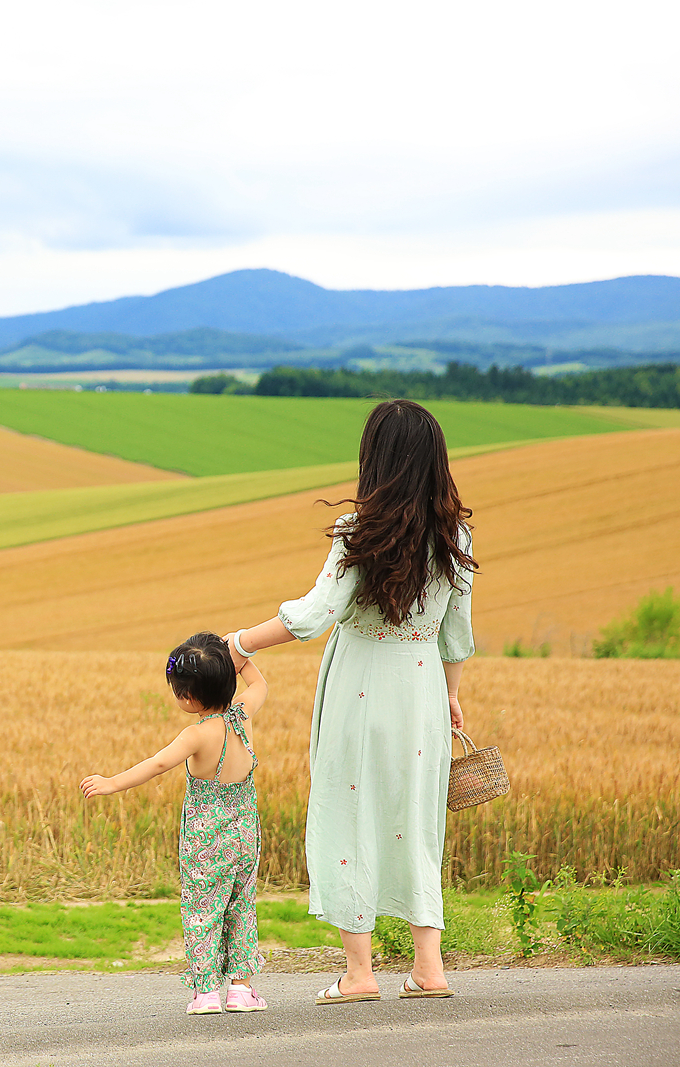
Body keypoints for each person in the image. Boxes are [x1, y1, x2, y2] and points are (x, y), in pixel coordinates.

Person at [224, 399, 475, 1004]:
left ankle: (360, 974)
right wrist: (451, 697)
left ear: (376, 461)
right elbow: (458, 635)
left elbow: (314, 617)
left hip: (359, 688)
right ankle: (429, 967)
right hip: (421, 695)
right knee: (415, 821)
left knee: (348, 816)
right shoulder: (455, 536)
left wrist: (235, 643)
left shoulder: (358, 533)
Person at [81, 632, 270, 1015]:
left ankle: (205, 994)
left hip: (205, 837)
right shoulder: (243, 715)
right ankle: (240, 990)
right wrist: (239, 651)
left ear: (187, 697)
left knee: (203, 909)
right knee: (240, 906)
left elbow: (157, 764)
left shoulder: (197, 734)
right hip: (245, 831)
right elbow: (260, 683)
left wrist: (112, 783)